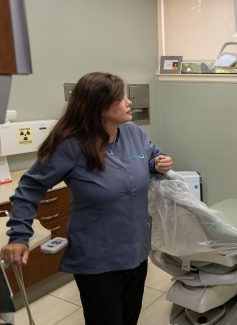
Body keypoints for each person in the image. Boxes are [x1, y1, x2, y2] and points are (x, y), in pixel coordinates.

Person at [1, 72, 172, 325]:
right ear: (99, 107)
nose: (128, 101)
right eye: (120, 98)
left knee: (130, 317)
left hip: (136, 249)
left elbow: (151, 155)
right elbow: (29, 189)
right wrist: (19, 235)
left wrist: (158, 162)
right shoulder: (70, 146)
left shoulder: (133, 132)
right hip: (97, 259)